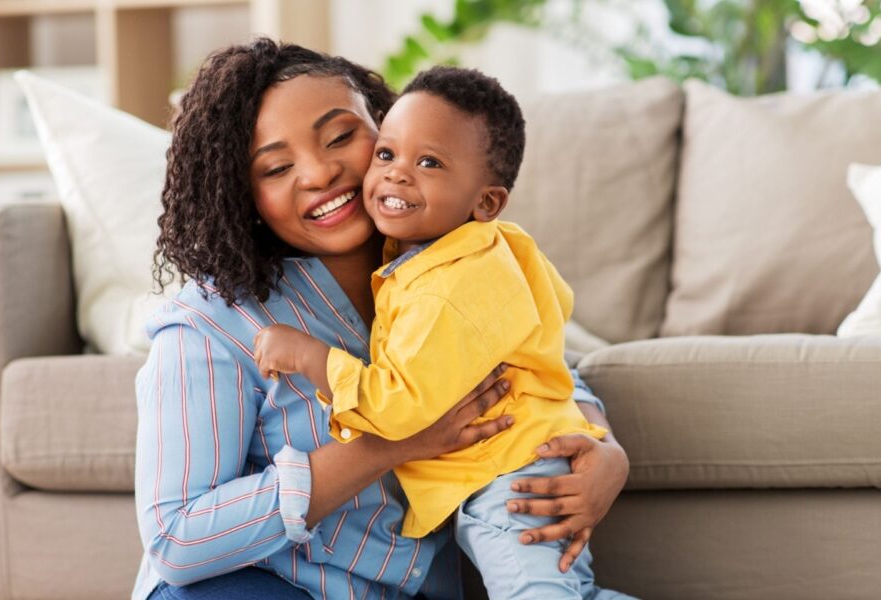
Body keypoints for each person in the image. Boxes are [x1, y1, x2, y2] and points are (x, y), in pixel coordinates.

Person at [134, 38, 630, 600]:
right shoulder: (208, 325)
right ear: (241, 195)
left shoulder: (453, 262)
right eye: (275, 167)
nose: (320, 173)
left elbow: (532, 360)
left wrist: (606, 450)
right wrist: (390, 444)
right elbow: (175, 540)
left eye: (342, 137)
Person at [251, 65, 616, 599]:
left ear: (486, 201)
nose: (397, 174)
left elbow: (400, 409)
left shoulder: (442, 288)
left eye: (429, 163)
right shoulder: (494, 246)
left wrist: (310, 356)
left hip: (507, 481)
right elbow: (546, 337)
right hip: (526, 458)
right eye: (386, 154)